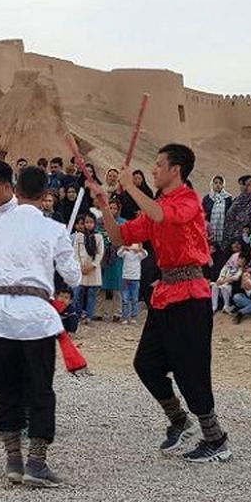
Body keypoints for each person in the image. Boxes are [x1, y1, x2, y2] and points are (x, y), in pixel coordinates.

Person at [89, 143, 232, 463]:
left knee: (190, 370)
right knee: (146, 364)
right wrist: (104, 204)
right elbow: (119, 237)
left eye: (157, 165)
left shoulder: (188, 200)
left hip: (190, 294)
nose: (152, 170)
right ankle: (180, 421)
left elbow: (162, 215)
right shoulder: (158, 205)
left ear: (175, 170)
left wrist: (128, 187)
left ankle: (216, 438)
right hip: (166, 294)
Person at [0, 164, 82, 487]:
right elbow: (74, 277)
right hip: (35, 316)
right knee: (39, 388)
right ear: (45, 196)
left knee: (5, 388)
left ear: (18, 190)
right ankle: (36, 463)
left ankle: (13, 459)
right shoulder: (54, 230)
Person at [73, 213, 105, 324]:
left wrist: (93, 265)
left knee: (92, 294)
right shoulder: (79, 236)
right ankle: (76, 315)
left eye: (91, 222)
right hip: (81, 268)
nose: (89, 224)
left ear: (94, 223)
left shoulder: (98, 236)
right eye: (86, 222)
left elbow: (100, 253)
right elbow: (76, 252)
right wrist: (80, 266)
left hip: (93, 269)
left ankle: (89, 316)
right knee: (78, 294)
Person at [118, 242, 147, 324]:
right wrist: (124, 247)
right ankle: (125, 318)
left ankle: (134, 317)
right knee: (125, 300)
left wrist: (140, 249)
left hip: (135, 278)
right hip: (125, 278)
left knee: (135, 299)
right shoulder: (125, 253)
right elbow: (119, 254)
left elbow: (145, 254)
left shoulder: (139, 255)